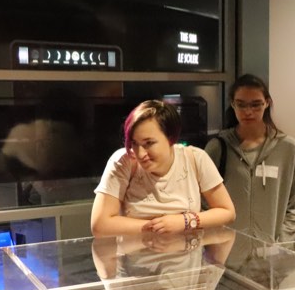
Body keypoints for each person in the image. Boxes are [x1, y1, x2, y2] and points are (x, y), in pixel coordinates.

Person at [91, 100, 235, 237]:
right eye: (134, 143)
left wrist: (184, 222)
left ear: (171, 138)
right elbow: (100, 225)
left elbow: (227, 211)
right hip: (135, 260)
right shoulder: (124, 161)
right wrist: (159, 227)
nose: (140, 154)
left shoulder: (195, 158)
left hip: (187, 259)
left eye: (149, 143)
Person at [205, 74, 295, 242]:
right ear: (233, 104)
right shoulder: (218, 148)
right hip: (226, 255)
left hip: (271, 256)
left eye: (256, 105)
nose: (248, 112)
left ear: (267, 103)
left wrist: (282, 246)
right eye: (241, 105)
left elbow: (294, 206)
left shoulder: (287, 148)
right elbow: (204, 202)